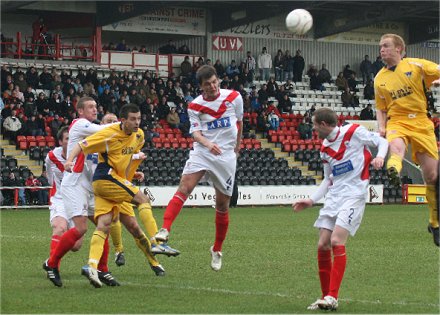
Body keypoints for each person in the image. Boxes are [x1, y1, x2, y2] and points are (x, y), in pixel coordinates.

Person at [64, 104, 171, 288]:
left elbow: (126, 160)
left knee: (105, 225)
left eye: (139, 118)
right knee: (142, 201)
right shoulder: (108, 134)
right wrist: (68, 160)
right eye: (133, 119)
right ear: (120, 121)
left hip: (114, 183)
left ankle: (92, 266)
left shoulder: (138, 136)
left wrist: (132, 175)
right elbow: (82, 145)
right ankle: (155, 241)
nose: (137, 122)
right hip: (107, 179)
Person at [293, 107, 389, 311]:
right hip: (334, 197)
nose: (313, 129)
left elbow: (382, 141)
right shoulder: (324, 149)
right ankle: (325, 297)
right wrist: (311, 200)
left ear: (324, 124)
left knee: (336, 241)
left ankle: (333, 296)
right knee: (322, 245)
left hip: (354, 195)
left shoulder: (353, 131)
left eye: (314, 125)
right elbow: (329, 179)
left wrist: (379, 157)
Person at [155, 65, 243, 271]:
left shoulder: (234, 97)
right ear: (201, 87)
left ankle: (217, 249)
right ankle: (165, 229)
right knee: (185, 187)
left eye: (214, 82)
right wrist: (208, 144)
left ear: (218, 80)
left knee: (222, 205)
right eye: (207, 84)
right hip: (203, 152)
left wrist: (237, 148)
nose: (212, 86)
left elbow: (240, 123)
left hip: (226, 156)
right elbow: (195, 133)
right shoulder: (195, 105)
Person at [42, 97, 117, 287]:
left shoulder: (93, 132)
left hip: (89, 186)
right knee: (82, 228)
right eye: (90, 107)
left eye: (96, 106)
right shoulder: (79, 124)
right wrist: (122, 124)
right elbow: (103, 130)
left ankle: (103, 270)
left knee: (104, 224)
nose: (95, 109)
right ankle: (52, 264)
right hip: (74, 184)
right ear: (80, 111)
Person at [374, 33, 440, 246]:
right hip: (398, 121)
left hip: (421, 122)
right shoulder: (379, 78)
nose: (382, 49)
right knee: (397, 147)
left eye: (386, 46)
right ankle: (393, 169)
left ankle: (434, 222)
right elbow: (380, 108)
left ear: (399, 49)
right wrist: (381, 127)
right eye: (380, 46)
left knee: (431, 176)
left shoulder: (417, 65)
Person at [44, 127, 85, 271]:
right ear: (60, 142)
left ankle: (53, 259)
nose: (71, 141)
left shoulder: (83, 154)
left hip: (76, 199)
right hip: (60, 198)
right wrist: (54, 186)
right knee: (59, 227)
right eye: (67, 138)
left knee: (76, 246)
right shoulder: (52, 156)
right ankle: (53, 267)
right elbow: (49, 175)